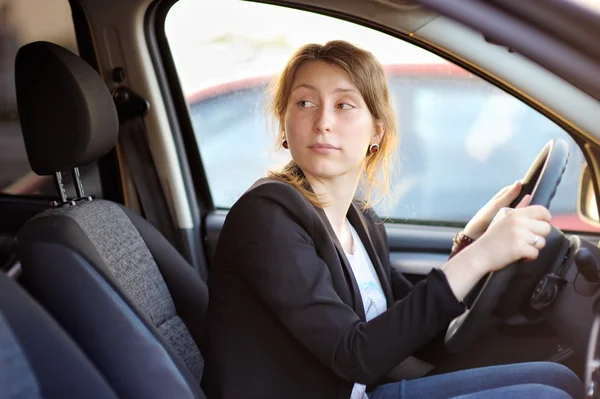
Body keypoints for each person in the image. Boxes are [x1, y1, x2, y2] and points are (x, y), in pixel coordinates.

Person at [205, 40, 583, 399]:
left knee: (560, 378)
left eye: (344, 105)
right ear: (284, 124)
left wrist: (469, 241)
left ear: (377, 131)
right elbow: (357, 355)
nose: (322, 121)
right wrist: (484, 254)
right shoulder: (266, 218)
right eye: (304, 102)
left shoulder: (360, 220)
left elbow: (412, 331)